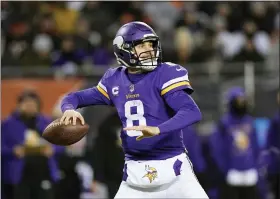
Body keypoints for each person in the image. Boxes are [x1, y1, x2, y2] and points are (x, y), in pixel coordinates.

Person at [60, 21, 208, 198]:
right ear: (124, 49)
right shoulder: (114, 80)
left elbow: (191, 111)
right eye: (141, 45)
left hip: (175, 174)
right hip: (135, 178)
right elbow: (74, 98)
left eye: (150, 44)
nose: (149, 50)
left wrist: (158, 129)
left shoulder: (164, 74)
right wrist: (69, 108)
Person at [1, 90, 63, 199]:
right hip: (18, 176)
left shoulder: (46, 122)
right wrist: (13, 151)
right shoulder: (7, 124)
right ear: (19, 105)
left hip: (44, 173)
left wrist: (52, 149)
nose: (30, 107)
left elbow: (61, 145)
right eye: (27, 104)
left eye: (33, 104)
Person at [209, 87, 260, 199]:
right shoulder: (224, 123)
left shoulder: (250, 121)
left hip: (250, 174)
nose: (241, 104)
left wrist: (256, 166)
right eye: (238, 100)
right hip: (232, 174)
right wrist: (225, 168)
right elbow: (217, 148)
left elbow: (256, 146)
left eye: (243, 100)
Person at [91, 111, 124, 199]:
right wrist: (97, 176)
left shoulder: (144, 120)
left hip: (138, 174)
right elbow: (99, 152)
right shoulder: (108, 124)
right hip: (114, 178)